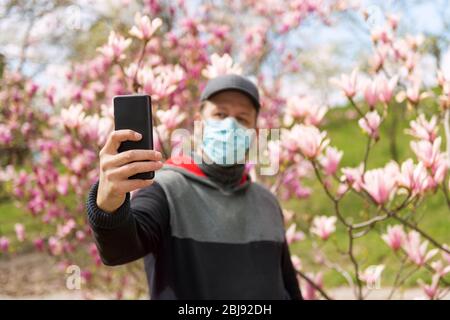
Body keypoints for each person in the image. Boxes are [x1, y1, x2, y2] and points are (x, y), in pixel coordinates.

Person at [86, 74, 302, 300]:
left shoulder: (267, 202)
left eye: (242, 118)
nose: (230, 125)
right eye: (220, 114)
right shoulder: (165, 188)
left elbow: (288, 284)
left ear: (255, 133)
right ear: (199, 125)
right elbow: (119, 249)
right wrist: (109, 202)